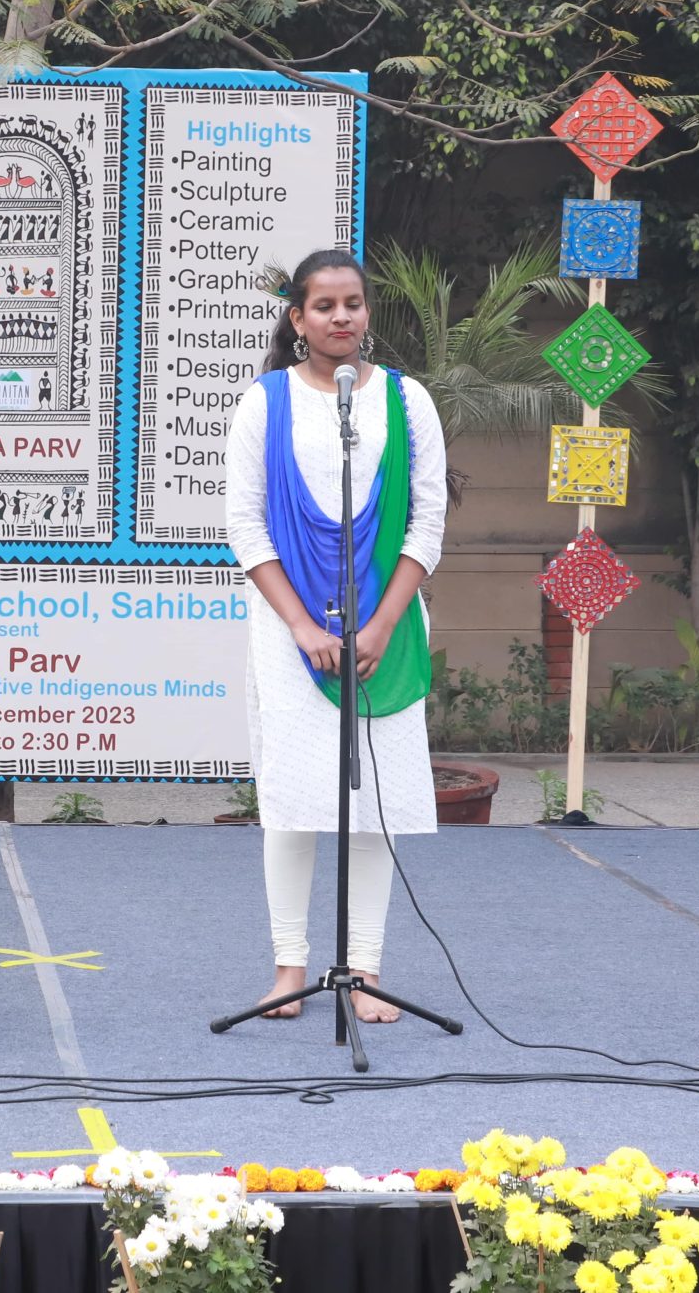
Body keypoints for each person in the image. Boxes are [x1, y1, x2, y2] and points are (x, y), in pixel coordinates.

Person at [223, 249, 449, 1022]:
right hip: (288, 632)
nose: (341, 316)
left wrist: (381, 624)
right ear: (298, 318)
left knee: (370, 800)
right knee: (293, 799)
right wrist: (298, 624)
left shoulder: (407, 401)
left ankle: (367, 966)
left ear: (367, 313)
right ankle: (289, 967)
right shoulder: (265, 402)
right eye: (324, 305)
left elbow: (427, 521)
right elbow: (245, 524)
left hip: (386, 627)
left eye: (353, 303)